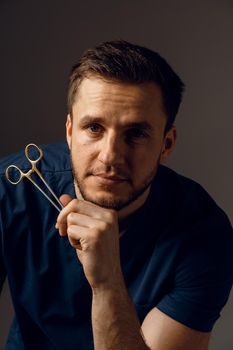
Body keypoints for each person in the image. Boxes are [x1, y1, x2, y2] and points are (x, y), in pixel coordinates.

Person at [0, 40, 232, 350]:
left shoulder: (206, 236)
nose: (110, 157)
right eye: (94, 127)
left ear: (167, 144)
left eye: (135, 134)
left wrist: (107, 281)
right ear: (70, 131)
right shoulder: (11, 191)